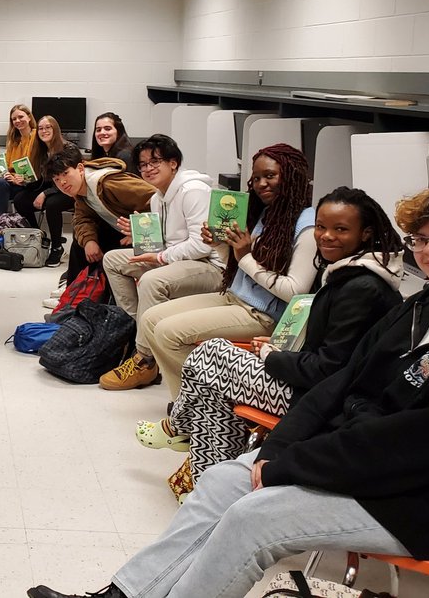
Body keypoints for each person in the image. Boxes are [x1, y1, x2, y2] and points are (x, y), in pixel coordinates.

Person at [28, 183, 429, 598]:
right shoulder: (426, 305)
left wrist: (289, 464)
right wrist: (279, 447)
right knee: (222, 481)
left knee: (254, 517)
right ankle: (122, 593)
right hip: (363, 456)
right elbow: (343, 380)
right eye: (421, 240)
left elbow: (409, 445)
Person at [137, 186, 403, 496]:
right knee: (212, 383)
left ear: (366, 233)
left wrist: (271, 357)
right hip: (314, 384)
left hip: (319, 400)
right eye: (321, 227)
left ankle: (179, 429)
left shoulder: (361, 288)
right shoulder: (351, 273)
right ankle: (207, 486)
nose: (326, 236)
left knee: (208, 355)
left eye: (340, 229)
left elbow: (328, 369)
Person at [140, 143, 317, 401]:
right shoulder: (264, 213)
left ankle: (200, 407)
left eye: (270, 176)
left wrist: (245, 257)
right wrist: (221, 245)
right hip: (235, 296)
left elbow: (294, 291)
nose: (261, 184)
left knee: (168, 332)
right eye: (256, 178)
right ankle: (188, 406)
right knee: (150, 320)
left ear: (292, 175)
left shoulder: (307, 225)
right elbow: (235, 264)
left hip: (264, 315)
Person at [98, 134, 224, 390]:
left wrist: (159, 257)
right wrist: (142, 238)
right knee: (112, 259)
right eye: (143, 165)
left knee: (152, 280)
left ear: (174, 163)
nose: (148, 168)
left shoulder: (193, 191)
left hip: (212, 268)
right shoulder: (157, 197)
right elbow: (167, 243)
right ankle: (144, 334)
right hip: (179, 261)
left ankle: (144, 359)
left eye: (155, 161)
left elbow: (201, 245)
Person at [45, 143, 155, 285]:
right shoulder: (80, 190)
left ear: (80, 169)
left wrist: (137, 232)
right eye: (57, 179)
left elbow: (155, 198)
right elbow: (81, 218)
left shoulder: (107, 183)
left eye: (65, 173)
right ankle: (74, 294)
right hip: (123, 231)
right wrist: (89, 241)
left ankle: (82, 294)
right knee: (82, 242)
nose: (63, 182)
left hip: (151, 233)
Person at [12, 114, 67, 266]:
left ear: (55, 129)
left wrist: (44, 194)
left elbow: (66, 181)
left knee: (52, 204)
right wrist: (25, 182)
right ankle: (38, 235)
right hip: (50, 187)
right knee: (20, 199)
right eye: (41, 128)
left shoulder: (67, 149)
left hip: (68, 190)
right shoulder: (41, 151)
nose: (44, 131)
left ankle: (57, 247)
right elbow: (40, 181)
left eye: (48, 127)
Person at [0, 104, 41, 217]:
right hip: (13, 182)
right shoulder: (14, 140)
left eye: (21, 117)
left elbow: (34, 166)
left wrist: (13, 178)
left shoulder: (37, 137)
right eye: (14, 119)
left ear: (29, 117)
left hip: (30, 182)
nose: (17, 121)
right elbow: (7, 166)